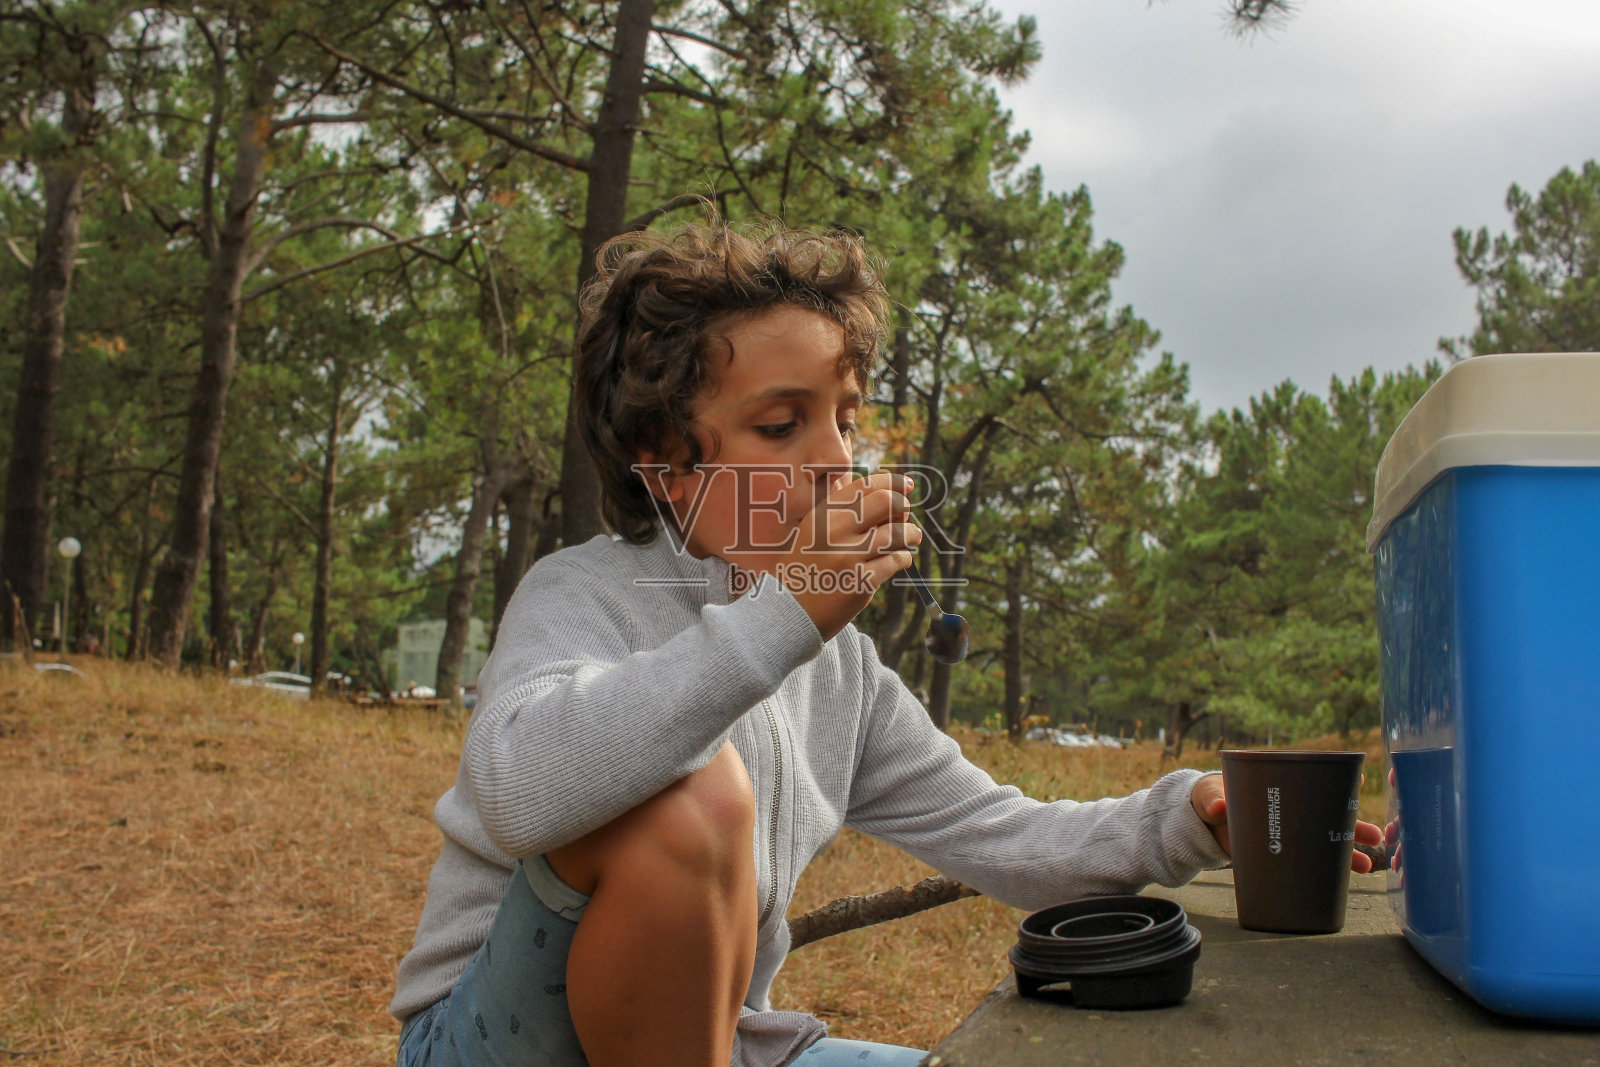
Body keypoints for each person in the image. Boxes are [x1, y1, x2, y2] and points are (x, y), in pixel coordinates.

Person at [389, 221, 1383, 1067]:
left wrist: (1188, 816)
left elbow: (1003, 836)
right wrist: (783, 611)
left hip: (717, 1042)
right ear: (670, 470)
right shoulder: (585, 592)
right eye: (782, 424)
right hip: (491, 1035)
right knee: (694, 795)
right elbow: (517, 788)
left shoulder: (837, 670)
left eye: (846, 421)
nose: (835, 457)